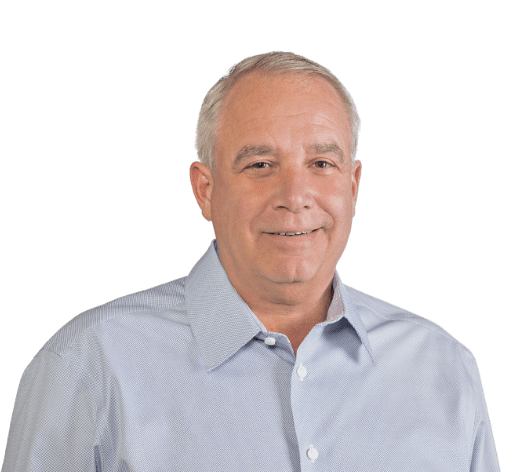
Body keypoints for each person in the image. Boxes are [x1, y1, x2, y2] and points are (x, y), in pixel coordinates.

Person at [3, 51, 499, 471]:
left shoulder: (444, 368)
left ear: (354, 185)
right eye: (260, 165)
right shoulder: (88, 367)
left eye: (322, 164)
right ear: (205, 190)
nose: (295, 195)